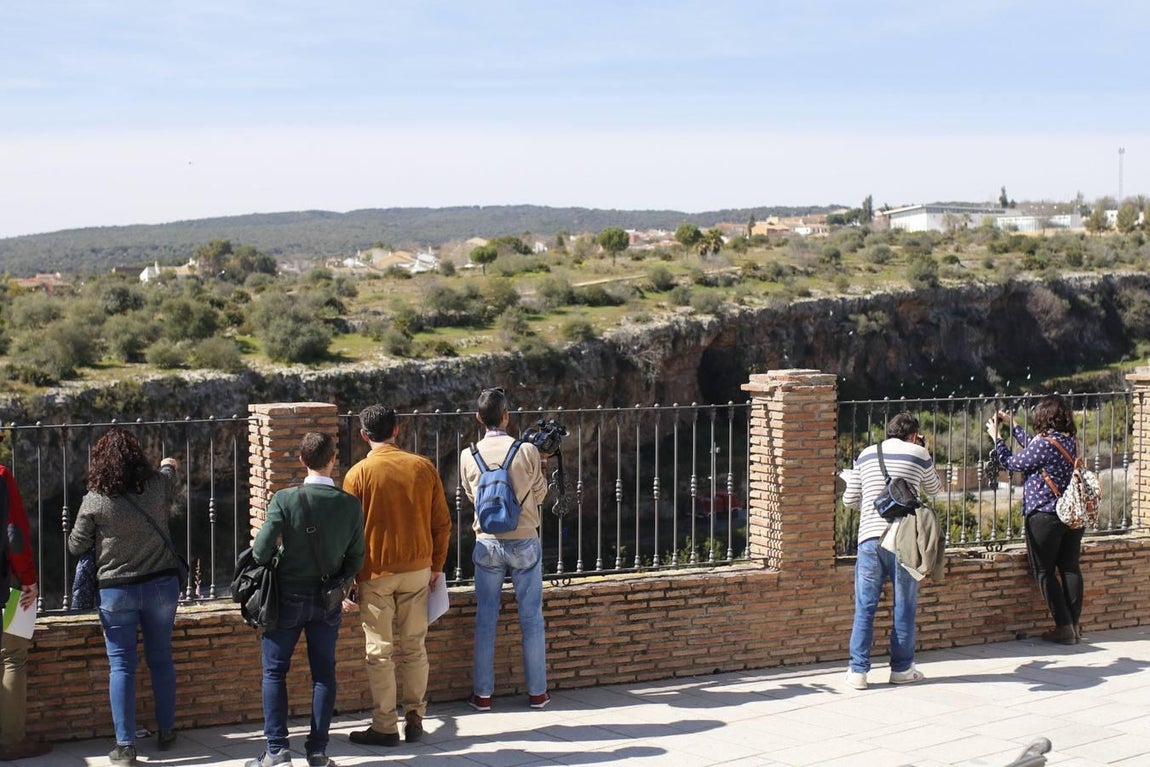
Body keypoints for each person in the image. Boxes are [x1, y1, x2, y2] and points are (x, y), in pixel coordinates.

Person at [245, 432, 365, 767]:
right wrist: (339, 582)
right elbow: (357, 558)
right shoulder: (350, 505)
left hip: (286, 597)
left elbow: (260, 552)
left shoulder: (285, 499)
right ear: (333, 459)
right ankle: (318, 752)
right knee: (324, 674)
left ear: (301, 460)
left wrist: (282, 555)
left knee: (274, 672)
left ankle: (277, 751)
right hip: (327, 599)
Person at [67, 428, 181, 767]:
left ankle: (126, 746)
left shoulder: (95, 499)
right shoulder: (156, 485)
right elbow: (169, 475)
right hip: (161, 584)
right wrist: (169, 464)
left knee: (121, 665)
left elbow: (75, 545)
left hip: (116, 591)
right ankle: (166, 731)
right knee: (161, 658)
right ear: (137, 457)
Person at [342, 405, 452, 747]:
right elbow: (442, 523)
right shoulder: (423, 467)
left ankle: (385, 725)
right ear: (396, 430)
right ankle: (415, 716)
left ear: (363, 435)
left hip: (375, 572)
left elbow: (348, 533)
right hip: (418, 568)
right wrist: (436, 565)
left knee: (380, 651)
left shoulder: (357, 475)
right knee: (415, 646)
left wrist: (349, 579)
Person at [458, 387, 550, 711]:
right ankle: (537, 693)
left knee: (486, 618)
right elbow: (540, 495)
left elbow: (472, 496)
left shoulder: (468, 454)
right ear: (507, 416)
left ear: (479, 418)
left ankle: (483, 695)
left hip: (487, 541)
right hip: (524, 539)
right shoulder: (526, 450)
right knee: (531, 617)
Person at [841, 412, 943, 690]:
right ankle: (901, 669)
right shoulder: (919, 453)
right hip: (904, 540)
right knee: (905, 605)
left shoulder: (866, 454)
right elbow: (935, 489)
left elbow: (850, 500)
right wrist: (924, 452)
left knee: (865, 606)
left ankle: (858, 672)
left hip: (870, 538)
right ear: (914, 435)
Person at [987, 395, 1084, 645]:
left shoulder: (1045, 445)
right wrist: (1013, 424)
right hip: (1072, 514)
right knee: (1070, 568)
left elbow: (1011, 462)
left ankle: (1064, 627)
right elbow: (1034, 446)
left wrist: (997, 438)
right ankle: (1074, 626)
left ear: (1043, 417)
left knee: (1043, 571)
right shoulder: (1071, 441)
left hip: (1045, 515)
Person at [0, 457, 52, 761]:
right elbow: (14, 533)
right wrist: (29, 580)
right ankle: (11, 741)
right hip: (8, 581)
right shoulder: (1, 475)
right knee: (13, 657)